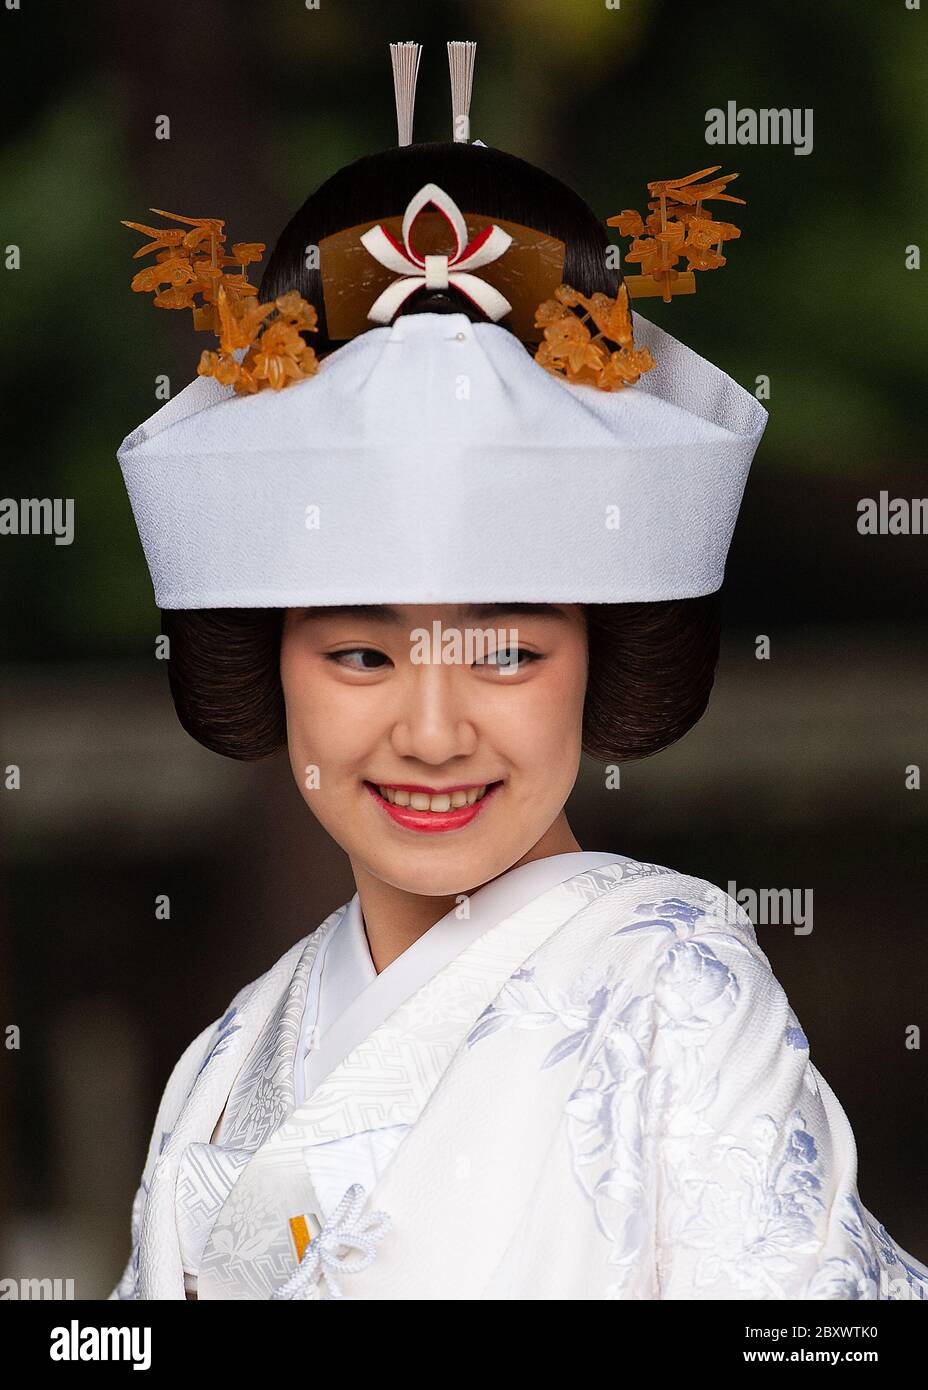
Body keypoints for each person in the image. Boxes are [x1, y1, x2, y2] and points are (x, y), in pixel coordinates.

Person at [108, 43, 927, 1301]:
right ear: (271, 660)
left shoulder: (673, 985)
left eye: (506, 650)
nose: (432, 732)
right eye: (363, 651)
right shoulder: (228, 1059)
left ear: (600, 652)